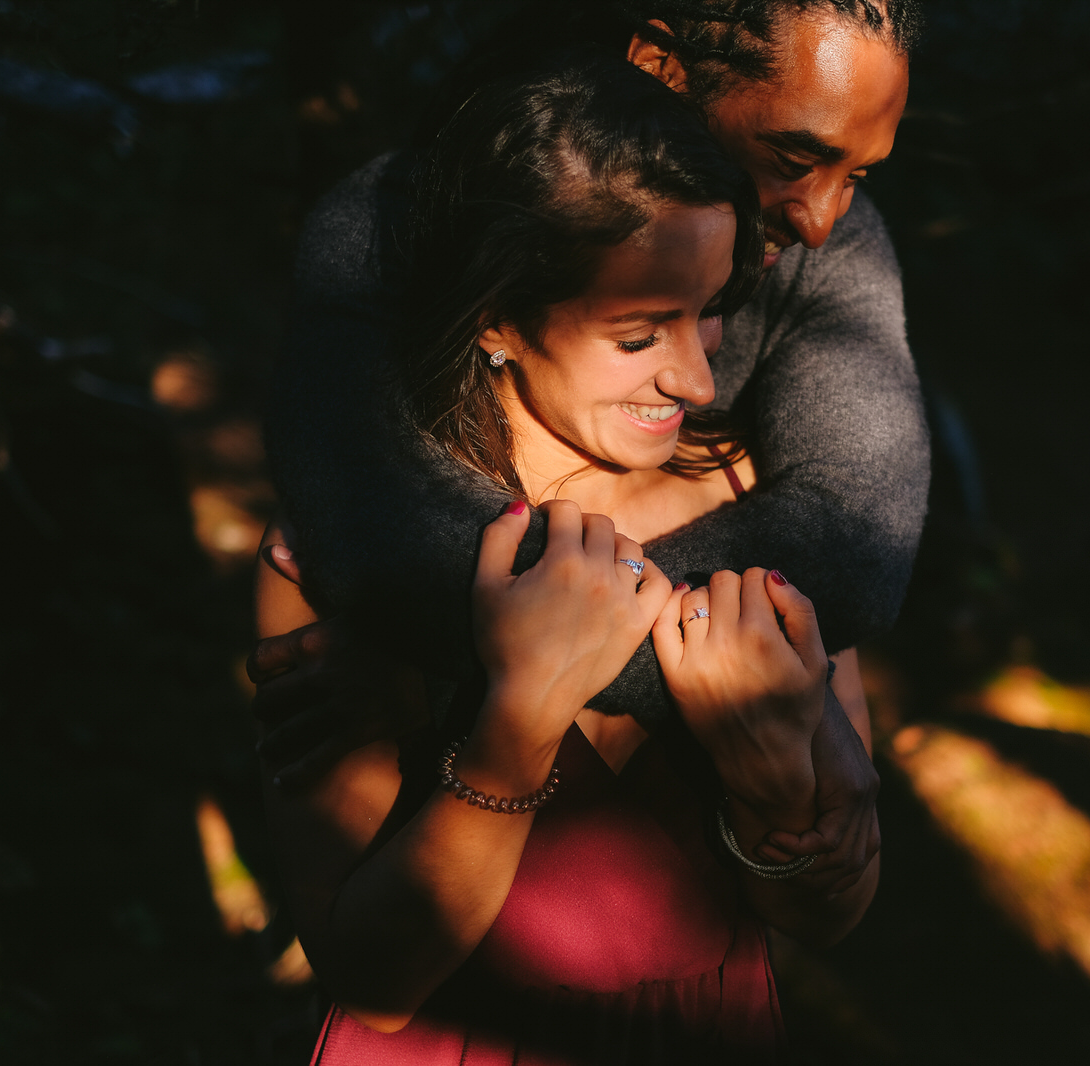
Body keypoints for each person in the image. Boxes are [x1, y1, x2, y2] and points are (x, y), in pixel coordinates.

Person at [259, 52, 878, 1064]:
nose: (694, 375)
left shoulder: (759, 502)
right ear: (497, 318)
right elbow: (370, 980)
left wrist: (772, 789)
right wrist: (516, 724)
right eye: (639, 333)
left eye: (711, 307)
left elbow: (833, 912)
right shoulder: (344, 555)